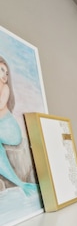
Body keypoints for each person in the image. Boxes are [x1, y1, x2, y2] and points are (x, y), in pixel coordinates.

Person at [0, 56, 37, 195]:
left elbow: (1, 104)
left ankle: (18, 182)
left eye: (7, 72)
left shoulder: (4, 88)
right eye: (2, 70)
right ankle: (18, 182)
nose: (5, 75)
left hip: (9, 129)